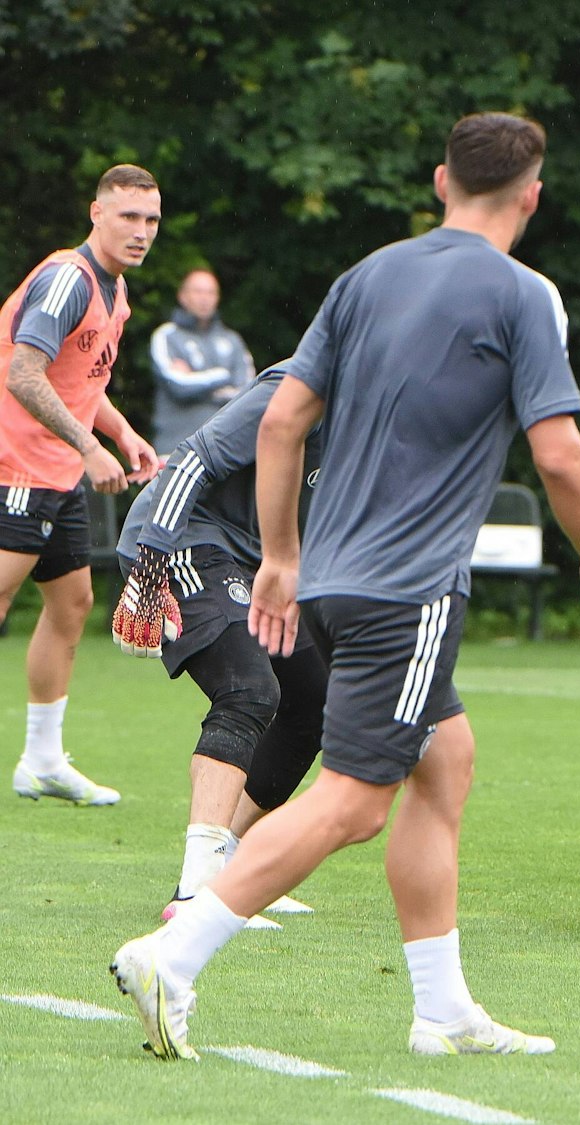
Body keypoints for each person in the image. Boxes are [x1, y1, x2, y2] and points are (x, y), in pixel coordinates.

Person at [111, 112, 580, 1062]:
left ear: (440, 181)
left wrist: (279, 556)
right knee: (353, 800)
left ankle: (441, 1009)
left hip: (330, 583)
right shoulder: (522, 296)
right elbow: (558, 451)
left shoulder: (367, 275)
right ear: (533, 195)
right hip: (411, 589)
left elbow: (279, 422)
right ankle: (174, 951)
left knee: (447, 759)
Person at [113, 362, 327, 928]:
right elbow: (195, 458)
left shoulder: (384, 416)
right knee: (248, 689)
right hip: (184, 538)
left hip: (259, 563)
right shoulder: (296, 389)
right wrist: (153, 554)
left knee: (316, 699)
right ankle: (196, 891)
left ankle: (231, 871)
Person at [3, 163, 165, 807]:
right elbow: (23, 374)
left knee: (70, 606)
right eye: (128, 216)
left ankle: (41, 761)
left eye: (151, 219)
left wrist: (121, 433)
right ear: (95, 213)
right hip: (16, 467)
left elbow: (81, 383)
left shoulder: (114, 290)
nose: (142, 230)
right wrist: (89, 446)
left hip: (56, 471)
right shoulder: (68, 281)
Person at [149, 269, 255, 451]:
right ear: (182, 296)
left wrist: (197, 381)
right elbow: (178, 386)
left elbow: (247, 393)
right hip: (174, 449)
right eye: (198, 292)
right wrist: (223, 376)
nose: (204, 298)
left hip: (222, 451)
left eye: (210, 292)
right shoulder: (167, 336)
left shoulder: (233, 340)